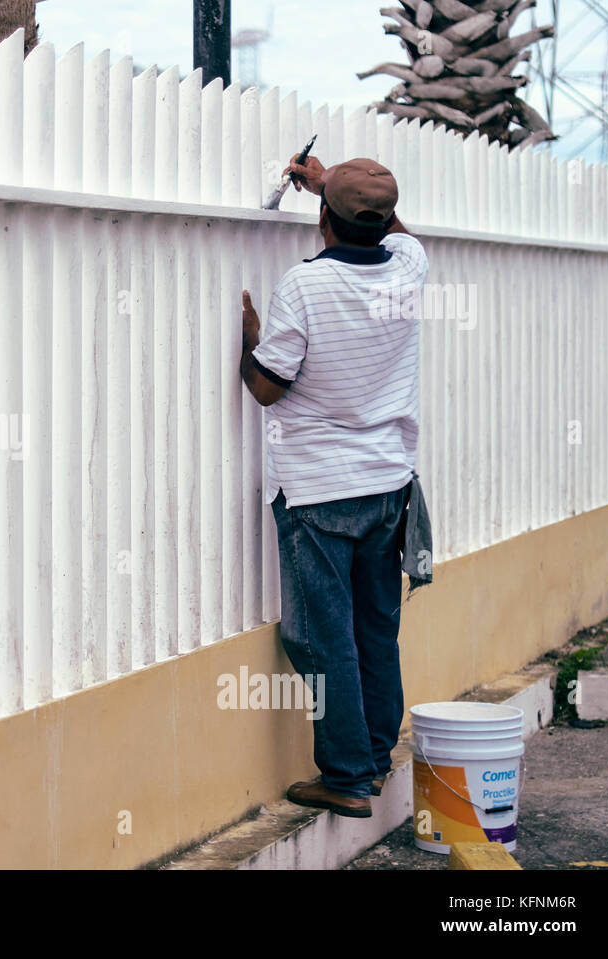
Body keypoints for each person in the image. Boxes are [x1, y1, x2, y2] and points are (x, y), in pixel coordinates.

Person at [238, 155, 429, 819]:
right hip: (388, 486)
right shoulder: (409, 267)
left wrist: (250, 341)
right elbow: (397, 231)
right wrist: (338, 192)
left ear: (325, 218)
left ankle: (346, 777)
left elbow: (269, 387)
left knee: (324, 639)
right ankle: (374, 761)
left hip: (319, 489)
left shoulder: (305, 286)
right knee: (376, 630)